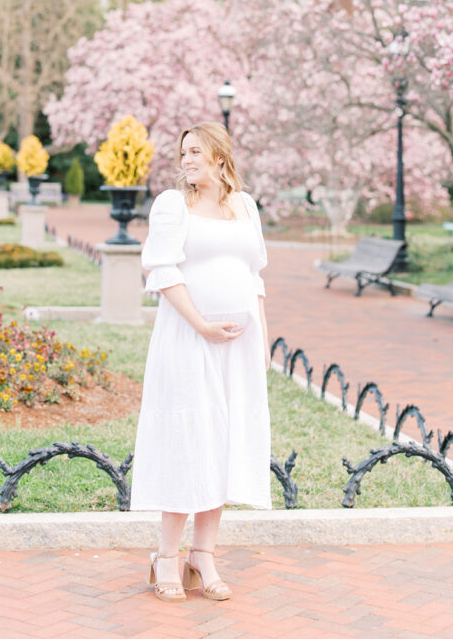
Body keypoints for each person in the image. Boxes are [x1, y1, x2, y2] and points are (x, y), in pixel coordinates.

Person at [130, 121, 271, 603]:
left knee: (225, 443)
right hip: (189, 341)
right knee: (188, 438)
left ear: (219, 158)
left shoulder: (245, 206)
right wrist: (202, 324)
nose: (186, 160)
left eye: (195, 152)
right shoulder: (174, 205)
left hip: (238, 350)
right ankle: (167, 557)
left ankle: (203, 556)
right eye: (183, 153)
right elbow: (163, 272)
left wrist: (263, 340)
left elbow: (253, 277)